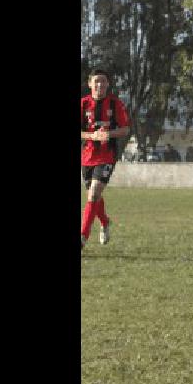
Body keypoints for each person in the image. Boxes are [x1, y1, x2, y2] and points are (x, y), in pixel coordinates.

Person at [80, 68, 131, 251]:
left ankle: (83, 236)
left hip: (107, 155)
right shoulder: (83, 104)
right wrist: (92, 136)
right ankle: (105, 222)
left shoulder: (114, 104)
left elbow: (125, 129)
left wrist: (108, 134)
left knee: (93, 193)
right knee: (94, 196)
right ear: (90, 84)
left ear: (108, 84)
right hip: (87, 157)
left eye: (103, 81)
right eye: (97, 81)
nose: (100, 84)